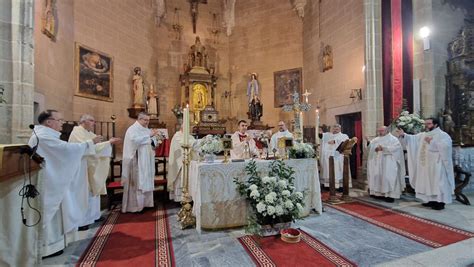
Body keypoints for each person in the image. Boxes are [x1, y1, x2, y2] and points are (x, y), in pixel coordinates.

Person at [28, 110, 102, 258]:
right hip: (49, 183)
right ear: (49, 122)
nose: (63, 123)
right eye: (60, 120)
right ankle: (47, 247)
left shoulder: (47, 135)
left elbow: (64, 151)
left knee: (57, 213)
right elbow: (66, 150)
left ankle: (56, 244)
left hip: (54, 180)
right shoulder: (42, 137)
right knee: (51, 212)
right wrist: (89, 143)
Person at [68, 114, 121, 230]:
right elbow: (82, 148)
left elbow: (96, 147)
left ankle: (94, 215)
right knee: (84, 192)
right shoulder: (77, 132)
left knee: (93, 191)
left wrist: (108, 143)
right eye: (91, 120)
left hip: (90, 166)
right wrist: (104, 142)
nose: (94, 123)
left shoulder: (88, 133)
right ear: (83, 121)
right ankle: (82, 221)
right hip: (82, 167)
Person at [398, 118, 454, 210]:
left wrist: (432, 142)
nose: (426, 125)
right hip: (425, 165)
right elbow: (413, 139)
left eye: (429, 124)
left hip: (437, 164)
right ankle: (431, 200)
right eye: (426, 123)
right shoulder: (423, 135)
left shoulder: (443, 135)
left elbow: (446, 147)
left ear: (435, 125)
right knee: (428, 182)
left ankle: (440, 202)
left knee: (438, 183)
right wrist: (404, 135)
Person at [121, 112, 161, 213]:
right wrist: (149, 136)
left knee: (147, 179)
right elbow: (134, 141)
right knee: (139, 182)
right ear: (139, 119)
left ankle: (147, 203)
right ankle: (136, 206)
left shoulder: (146, 129)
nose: (147, 122)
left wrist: (155, 140)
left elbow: (151, 142)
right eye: (145, 120)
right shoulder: (132, 129)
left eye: (148, 120)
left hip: (146, 160)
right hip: (137, 160)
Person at [367, 126, 405, 202]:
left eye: (382, 131)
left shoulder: (393, 139)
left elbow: (396, 148)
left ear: (387, 130)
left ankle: (389, 196)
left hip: (388, 162)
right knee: (377, 177)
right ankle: (378, 194)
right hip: (377, 162)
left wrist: (384, 148)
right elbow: (370, 147)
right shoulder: (376, 139)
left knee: (388, 177)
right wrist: (369, 143)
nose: (380, 132)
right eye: (379, 131)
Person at [168, 123, 196, 202]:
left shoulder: (189, 136)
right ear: (182, 128)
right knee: (181, 179)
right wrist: (193, 144)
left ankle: (189, 197)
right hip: (180, 162)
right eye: (187, 128)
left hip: (189, 161)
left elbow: (194, 145)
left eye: (189, 128)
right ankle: (180, 198)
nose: (189, 130)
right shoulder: (177, 136)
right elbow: (183, 144)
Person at [320, 124, 349, 189]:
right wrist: (321, 133)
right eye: (334, 128)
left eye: (337, 129)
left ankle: (339, 186)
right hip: (329, 157)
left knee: (338, 171)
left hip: (338, 157)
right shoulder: (329, 135)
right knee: (328, 170)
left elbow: (346, 142)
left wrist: (335, 141)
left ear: (340, 129)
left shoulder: (343, 136)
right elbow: (321, 137)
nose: (335, 130)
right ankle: (328, 185)